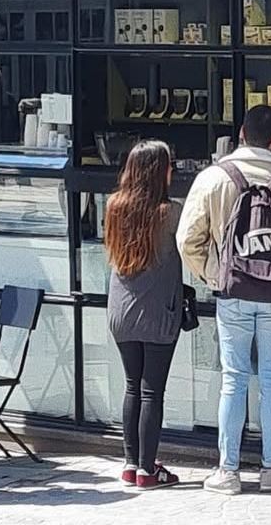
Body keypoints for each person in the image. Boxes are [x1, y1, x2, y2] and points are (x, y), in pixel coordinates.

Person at [177, 105, 271, 496]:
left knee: (233, 379)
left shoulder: (214, 178)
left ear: (239, 134)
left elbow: (187, 240)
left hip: (231, 291)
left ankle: (228, 471)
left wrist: (213, 274)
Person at [105, 140, 182, 489]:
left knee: (132, 386)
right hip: (158, 311)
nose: (173, 171)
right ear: (159, 171)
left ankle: (130, 463)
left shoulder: (114, 206)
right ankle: (149, 470)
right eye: (170, 164)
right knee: (153, 391)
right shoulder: (170, 212)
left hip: (121, 309)